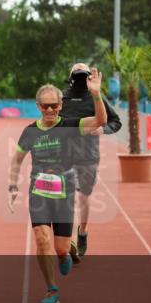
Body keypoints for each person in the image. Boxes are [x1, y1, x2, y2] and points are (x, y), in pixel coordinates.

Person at [8, 69, 106, 303]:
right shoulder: (30, 131)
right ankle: (52, 288)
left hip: (64, 194)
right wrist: (13, 186)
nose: (50, 110)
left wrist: (96, 95)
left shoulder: (70, 126)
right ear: (38, 106)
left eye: (54, 106)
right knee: (42, 239)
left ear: (61, 106)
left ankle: (64, 254)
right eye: (45, 106)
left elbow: (100, 121)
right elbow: (17, 160)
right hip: (38, 193)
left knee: (60, 249)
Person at [60, 63, 122, 262]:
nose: (80, 78)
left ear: (89, 78)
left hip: (88, 156)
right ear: (70, 77)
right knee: (65, 197)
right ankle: (67, 240)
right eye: (77, 74)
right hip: (63, 155)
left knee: (84, 197)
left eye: (84, 75)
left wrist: (102, 129)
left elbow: (115, 121)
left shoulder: (96, 97)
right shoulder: (61, 98)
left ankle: (83, 232)